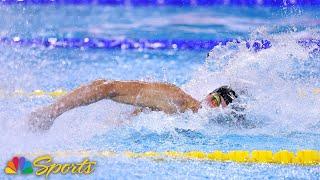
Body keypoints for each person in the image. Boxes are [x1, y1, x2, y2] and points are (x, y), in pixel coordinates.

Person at [28, 79, 238, 131]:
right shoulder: (177, 100)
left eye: (219, 107)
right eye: (214, 100)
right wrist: (52, 113)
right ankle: (49, 112)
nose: (211, 108)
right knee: (105, 87)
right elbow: (106, 87)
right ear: (207, 96)